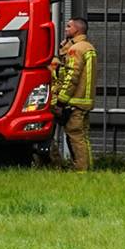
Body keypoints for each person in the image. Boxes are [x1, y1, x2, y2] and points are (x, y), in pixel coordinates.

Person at [50, 18, 97, 171]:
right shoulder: (87, 47)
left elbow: (71, 76)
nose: (66, 29)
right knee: (83, 137)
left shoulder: (76, 49)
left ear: (77, 29)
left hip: (74, 102)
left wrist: (60, 102)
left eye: (69, 26)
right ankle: (88, 168)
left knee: (75, 135)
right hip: (84, 101)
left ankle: (81, 170)